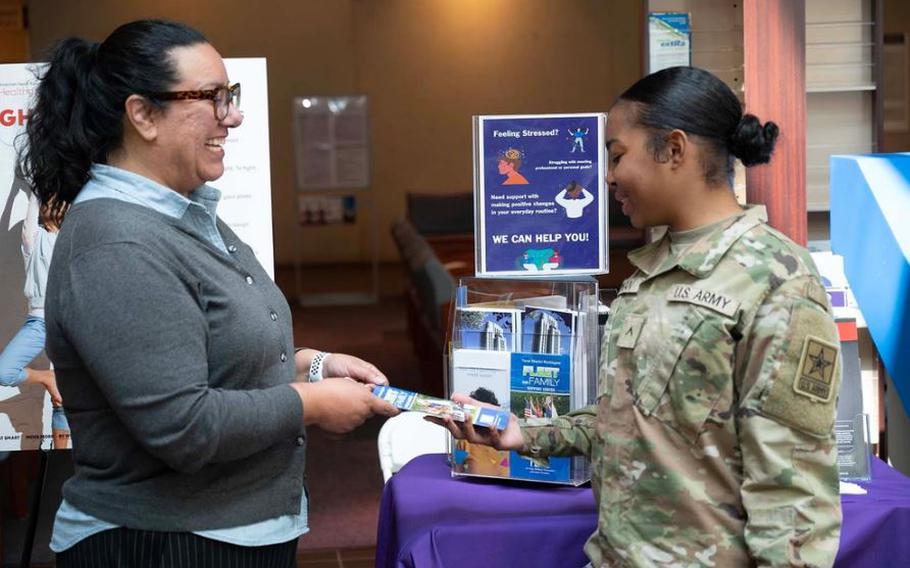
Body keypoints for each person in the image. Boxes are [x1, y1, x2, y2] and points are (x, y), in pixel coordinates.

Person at [18, 19, 397, 567]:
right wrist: (313, 404)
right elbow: (183, 426)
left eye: (231, 96)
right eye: (213, 99)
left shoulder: (186, 214)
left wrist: (314, 366)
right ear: (143, 114)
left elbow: (211, 359)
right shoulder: (117, 243)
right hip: (164, 544)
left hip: (224, 531)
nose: (234, 116)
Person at [435, 66, 842, 567]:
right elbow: (627, 417)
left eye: (617, 155)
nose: (607, 176)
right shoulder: (651, 274)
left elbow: (795, 494)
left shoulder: (777, 280)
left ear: (674, 150)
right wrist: (526, 434)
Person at [0, 189, 69, 449]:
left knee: (64, 399)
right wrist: (35, 189)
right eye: (48, 202)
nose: (52, 206)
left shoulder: (72, 242)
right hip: (39, 323)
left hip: (68, 324)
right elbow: (26, 218)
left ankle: (61, 464)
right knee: (4, 371)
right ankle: (46, 379)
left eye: (58, 203)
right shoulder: (34, 239)